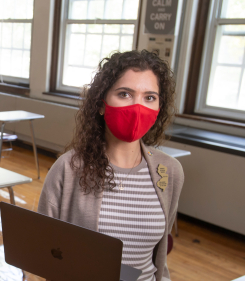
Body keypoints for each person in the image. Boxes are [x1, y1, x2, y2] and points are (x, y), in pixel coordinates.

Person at [38, 50, 184, 281]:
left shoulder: (169, 171)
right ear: (101, 104)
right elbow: (44, 251)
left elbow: (159, 255)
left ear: (158, 109)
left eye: (149, 97)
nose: (137, 107)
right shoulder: (68, 168)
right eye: (125, 94)